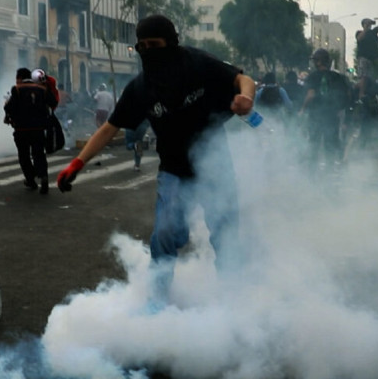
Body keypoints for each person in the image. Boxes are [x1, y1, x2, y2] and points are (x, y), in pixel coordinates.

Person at [56, 15, 256, 307]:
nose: (149, 51)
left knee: (225, 235)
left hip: (215, 169)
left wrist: (246, 98)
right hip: (174, 171)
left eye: (156, 44)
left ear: (171, 43)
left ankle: (233, 300)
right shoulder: (141, 88)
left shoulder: (196, 62)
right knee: (163, 235)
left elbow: (242, 79)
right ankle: (157, 303)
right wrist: (78, 163)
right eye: (143, 46)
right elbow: (111, 126)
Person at [4, 67, 58, 194]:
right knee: (39, 154)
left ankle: (31, 180)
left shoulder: (16, 89)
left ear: (19, 78)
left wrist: (7, 107)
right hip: (39, 129)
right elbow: (53, 102)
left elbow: (10, 108)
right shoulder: (42, 89)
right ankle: (43, 176)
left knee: (24, 155)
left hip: (21, 129)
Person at [299, 49, 352, 172]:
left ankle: (312, 173)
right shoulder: (338, 77)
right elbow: (348, 95)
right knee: (330, 144)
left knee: (314, 144)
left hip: (315, 116)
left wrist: (302, 109)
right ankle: (329, 170)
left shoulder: (313, 76)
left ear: (318, 61)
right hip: (332, 116)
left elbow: (311, 94)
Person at [355, 10, 378, 99]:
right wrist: (365, 28)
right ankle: (361, 94)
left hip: (371, 59)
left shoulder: (373, 32)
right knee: (364, 76)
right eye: (368, 23)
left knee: (370, 77)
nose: (370, 25)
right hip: (363, 58)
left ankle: (364, 90)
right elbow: (359, 38)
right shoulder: (360, 33)